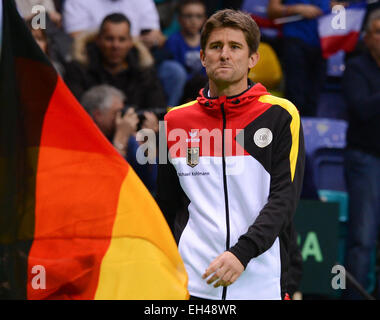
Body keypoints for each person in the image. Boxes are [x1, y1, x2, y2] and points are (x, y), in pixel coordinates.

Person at [157, 9, 305, 300]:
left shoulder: (280, 114)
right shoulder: (174, 121)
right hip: (191, 285)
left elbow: (284, 200)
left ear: (252, 59)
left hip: (261, 284)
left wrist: (242, 253)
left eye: (235, 47)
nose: (224, 54)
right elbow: (166, 205)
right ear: (202, 57)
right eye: (216, 46)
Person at [64, 13, 167, 124]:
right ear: (98, 40)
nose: (115, 46)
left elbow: (158, 109)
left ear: (130, 42)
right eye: (109, 39)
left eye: (121, 39)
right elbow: (73, 111)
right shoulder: (79, 69)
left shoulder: (144, 70)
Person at [341, 9, 380, 300]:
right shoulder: (356, 67)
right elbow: (361, 109)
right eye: (378, 31)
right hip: (365, 159)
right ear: (366, 37)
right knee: (362, 238)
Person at [80, 84, 158, 194]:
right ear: (98, 115)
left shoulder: (128, 139)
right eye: (116, 113)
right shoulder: (82, 140)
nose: (121, 119)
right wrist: (120, 139)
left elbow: (151, 182)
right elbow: (108, 183)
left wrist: (148, 146)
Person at [267, 0, 330, 116]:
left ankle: (307, 132)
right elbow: (272, 11)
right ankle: (290, 131)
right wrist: (297, 9)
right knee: (296, 96)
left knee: (313, 99)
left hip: (323, 43)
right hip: (295, 40)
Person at [165, 0, 207, 80]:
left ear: (204, 19)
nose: (193, 21)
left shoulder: (208, 42)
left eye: (198, 16)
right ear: (179, 19)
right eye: (188, 16)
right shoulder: (173, 41)